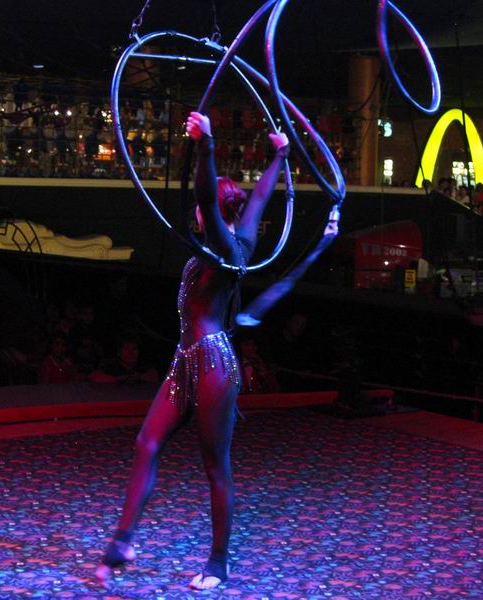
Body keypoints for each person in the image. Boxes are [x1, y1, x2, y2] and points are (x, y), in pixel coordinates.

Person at [95, 112, 290, 591]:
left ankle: (218, 563)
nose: (197, 214)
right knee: (146, 442)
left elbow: (204, 195)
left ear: (214, 213)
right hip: (184, 363)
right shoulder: (233, 239)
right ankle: (123, 540)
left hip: (214, 368)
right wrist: (279, 156)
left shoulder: (226, 247)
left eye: (205, 209)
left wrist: (206, 144)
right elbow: (259, 200)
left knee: (215, 468)